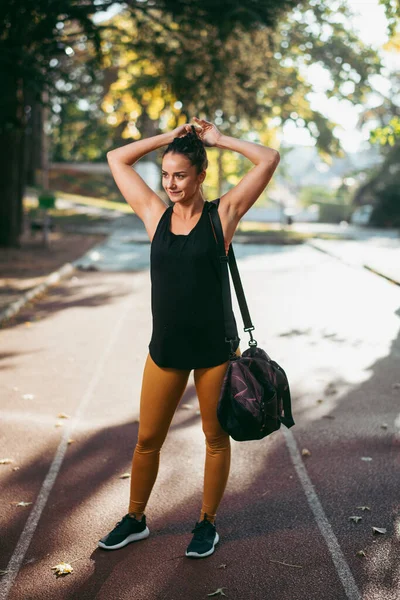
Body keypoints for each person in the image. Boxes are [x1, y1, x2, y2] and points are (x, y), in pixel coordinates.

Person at [98, 116, 280, 558]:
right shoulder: (153, 215)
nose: (171, 183)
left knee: (215, 440)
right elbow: (116, 158)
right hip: (165, 351)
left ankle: (207, 523)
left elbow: (269, 157)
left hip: (216, 350)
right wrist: (173, 137)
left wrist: (216, 139)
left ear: (201, 176)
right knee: (147, 440)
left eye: (181, 175)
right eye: (165, 175)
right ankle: (136, 518)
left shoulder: (224, 215)